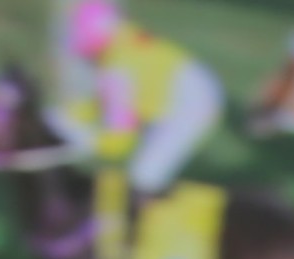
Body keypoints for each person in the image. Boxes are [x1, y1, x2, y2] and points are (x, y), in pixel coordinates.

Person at [51, 0, 223, 202]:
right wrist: (67, 116)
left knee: (145, 175)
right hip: (194, 90)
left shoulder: (119, 69)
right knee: (143, 171)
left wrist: (83, 138)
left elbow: (121, 141)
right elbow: (103, 102)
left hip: (192, 106)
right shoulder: (121, 44)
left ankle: (157, 226)